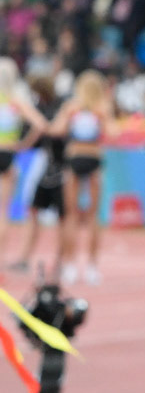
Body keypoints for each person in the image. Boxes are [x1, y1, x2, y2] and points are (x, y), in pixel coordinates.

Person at [50, 70, 113, 287]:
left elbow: (56, 129)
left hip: (75, 158)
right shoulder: (101, 108)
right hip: (94, 158)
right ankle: (92, 267)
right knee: (93, 215)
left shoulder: (72, 107)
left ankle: (70, 265)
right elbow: (113, 132)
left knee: (71, 215)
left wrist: (69, 119)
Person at [10, 76, 67, 276]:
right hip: (45, 168)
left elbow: (48, 129)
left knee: (63, 217)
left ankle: (61, 261)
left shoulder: (61, 105)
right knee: (33, 210)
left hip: (61, 168)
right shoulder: (40, 106)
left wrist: (25, 142)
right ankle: (25, 258)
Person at [0, 57, 47, 267]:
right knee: (3, 211)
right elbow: (40, 123)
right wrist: (23, 144)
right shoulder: (14, 100)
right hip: (8, 153)